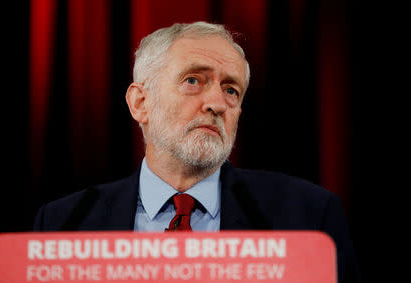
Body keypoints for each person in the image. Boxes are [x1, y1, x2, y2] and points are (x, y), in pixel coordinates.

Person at [34, 22, 360, 282]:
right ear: (140, 103)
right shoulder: (63, 224)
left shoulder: (309, 217)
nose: (217, 104)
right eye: (193, 80)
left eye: (231, 89)